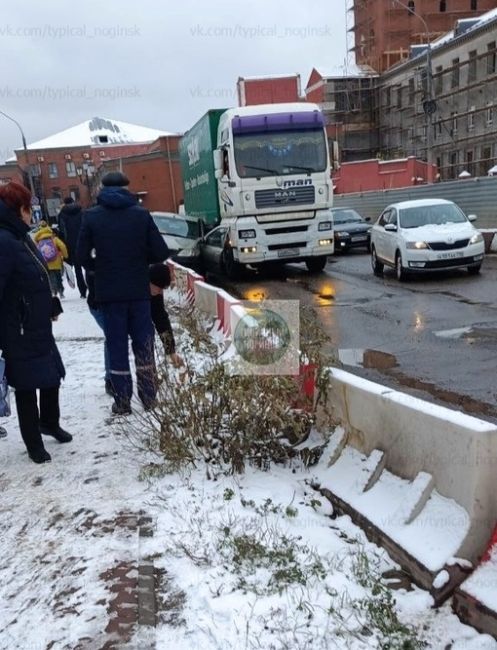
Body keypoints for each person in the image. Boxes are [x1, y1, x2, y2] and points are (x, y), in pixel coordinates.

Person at [77, 171, 169, 416]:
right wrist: (138, 261)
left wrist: (102, 266)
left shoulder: (92, 217)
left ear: (102, 189)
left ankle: (122, 401)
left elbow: (81, 257)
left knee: (117, 346)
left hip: (110, 294)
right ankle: (149, 397)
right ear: (128, 187)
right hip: (139, 292)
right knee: (143, 344)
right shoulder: (141, 214)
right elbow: (160, 252)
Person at [0, 181, 72, 464]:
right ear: (18, 209)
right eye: (28, 207)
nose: (32, 213)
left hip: (36, 322)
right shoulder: (4, 241)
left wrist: (49, 301)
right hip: (19, 328)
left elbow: (36, 274)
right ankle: (33, 442)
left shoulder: (20, 236)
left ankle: (49, 422)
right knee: (27, 385)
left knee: (52, 374)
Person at [149, 263, 184, 368]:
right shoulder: (134, 286)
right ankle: (111, 380)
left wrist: (170, 351)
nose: (160, 292)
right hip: (104, 305)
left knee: (147, 332)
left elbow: (161, 319)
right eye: (159, 289)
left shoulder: (155, 295)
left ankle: (149, 374)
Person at [58, 197, 87, 298]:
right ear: (73, 202)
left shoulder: (62, 215)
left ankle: (83, 292)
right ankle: (92, 287)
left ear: (64, 204)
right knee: (88, 266)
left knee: (77, 269)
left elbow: (62, 231)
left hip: (71, 245)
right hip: (84, 243)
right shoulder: (81, 212)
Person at [33, 221, 68, 298]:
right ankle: (61, 291)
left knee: (51, 277)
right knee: (58, 276)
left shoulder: (38, 241)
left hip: (46, 263)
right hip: (56, 261)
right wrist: (65, 256)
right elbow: (63, 246)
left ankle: (53, 290)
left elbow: (35, 251)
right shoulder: (54, 238)